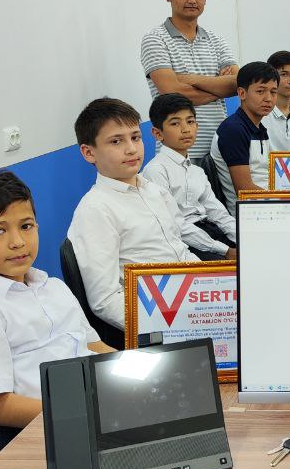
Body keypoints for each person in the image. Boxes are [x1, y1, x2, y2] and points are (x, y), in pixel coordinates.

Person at [0, 171, 113, 469]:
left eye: (26, 226)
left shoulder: (53, 287)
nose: (18, 241)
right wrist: (81, 415)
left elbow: (94, 346)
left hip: (83, 412)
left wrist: (136, 378)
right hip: (29, 436)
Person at [67, 98, 199, 331]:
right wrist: (169, 325)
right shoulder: (96, 210)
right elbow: (105, 301)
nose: (131, 149)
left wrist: (215, 285)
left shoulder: (154, 191)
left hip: (191, 298)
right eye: (116, 141)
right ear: (89, 152)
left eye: (135, 137)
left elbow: (180, 251)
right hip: (160, 318)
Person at [141, 0, 239, 167]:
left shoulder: (217, 40)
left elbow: (236, 85)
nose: (192, 0)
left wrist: (192, 79)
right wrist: (219, 86)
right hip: (179, 154)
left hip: (219, 149)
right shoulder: (155, 39)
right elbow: (173, 93)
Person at [142, 93, 237, 260]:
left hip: (210, 232)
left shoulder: (197, 171)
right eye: (175, 123)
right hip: (185, 242)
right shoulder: (156, 170)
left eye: (190, 121)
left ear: (197, 126)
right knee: (234, 270)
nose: (186, 129)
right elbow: (175, 225)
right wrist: (225, 250)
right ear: (157, 133)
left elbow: (217, 212)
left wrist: (243, 237)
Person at [210, 61, 279, 214]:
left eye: (273, 92)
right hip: (249, 215)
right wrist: (286, 201)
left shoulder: (260, 127)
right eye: (260, 91)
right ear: (242, 93)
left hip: (269, 206)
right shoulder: (233, 130)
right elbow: (245, 190)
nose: (268, 98)